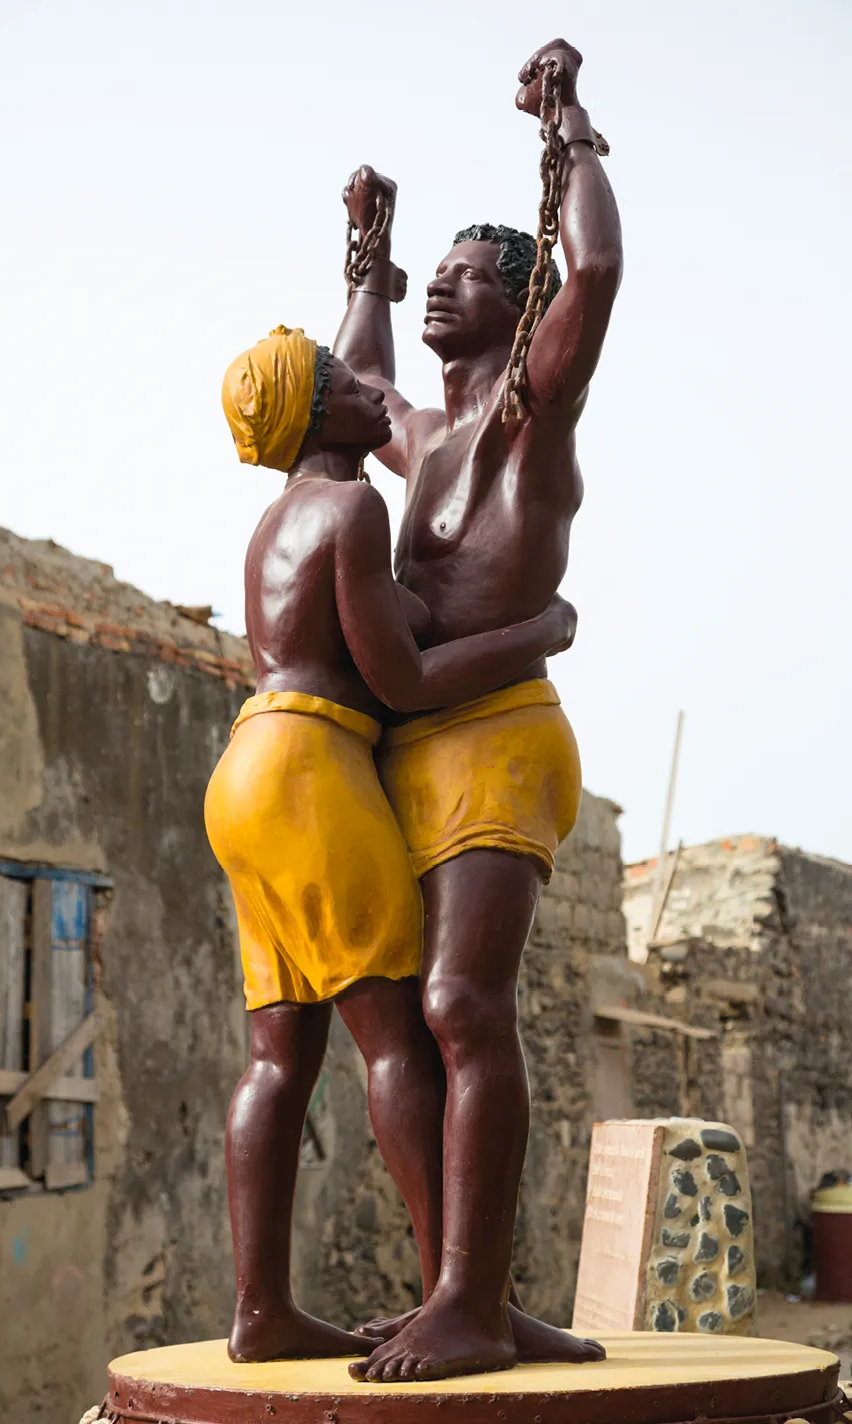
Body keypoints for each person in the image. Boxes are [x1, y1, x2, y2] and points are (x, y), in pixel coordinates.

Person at [333, 38, 624, 1382]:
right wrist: (370, 266)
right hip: (408, 746)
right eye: (436, 274)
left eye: (469, 271)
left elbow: (599, 271)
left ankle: (468, 1301)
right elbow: (353, 395)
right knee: (407, 1026)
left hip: (499, 737)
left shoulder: (523, 416)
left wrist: (563, 127)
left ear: (521, 312)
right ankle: (475, 1301)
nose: (446, 283)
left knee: (464, 1008)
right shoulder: (421, 435)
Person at [207, 324, 577, 1363]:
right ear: (313, 413)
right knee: (398, 1041)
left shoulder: (273, 522)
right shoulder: (355, 505)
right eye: (340, 382)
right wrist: (532, 633)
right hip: (311, 771)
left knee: (277, 1056)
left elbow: (352, 631)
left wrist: (366, 264)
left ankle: (260, 1308)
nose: (368, 387)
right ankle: (464, 1304)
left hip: (242, 772)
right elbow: (398, 684)